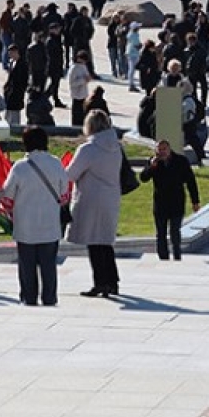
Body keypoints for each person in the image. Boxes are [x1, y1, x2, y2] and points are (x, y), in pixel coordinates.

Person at [3, 126, 67, 306]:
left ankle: (28, 298)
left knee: (27, 268)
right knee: (49, 267)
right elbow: (64, 195)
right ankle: (49, 298)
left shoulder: (20, 167)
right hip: (50, 225)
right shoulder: (56, 163)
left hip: (25, 226)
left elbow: (7, 196)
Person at [68, 110, 123, 298]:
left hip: (91, 198)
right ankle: (112, 281)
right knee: (105, 242)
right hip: (110, 197)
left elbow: (71, 174)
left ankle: (100, 282)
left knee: (94, 242)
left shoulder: (88, 149)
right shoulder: (115, 147)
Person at [139, 139, 199, 262]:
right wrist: (151, 167)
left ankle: (177, 256)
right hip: (160, 203)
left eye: (164, 149)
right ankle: (163, 258)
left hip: (176, 201)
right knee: (160, 233)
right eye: (159, 150)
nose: (162, 152)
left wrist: (195, 201)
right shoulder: (153, 162)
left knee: (175, 231)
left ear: (169, 149)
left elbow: (191, 181)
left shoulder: (181, 161)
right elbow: (143, 178)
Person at [68, 51, 92, 128]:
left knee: (83, 113)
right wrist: (83, 80)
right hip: (76, 95)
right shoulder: (74, 68)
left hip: (83, 94)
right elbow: (72, 83)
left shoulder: (83, 66)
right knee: (76, 113)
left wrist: (88, 79)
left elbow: (87, 75)